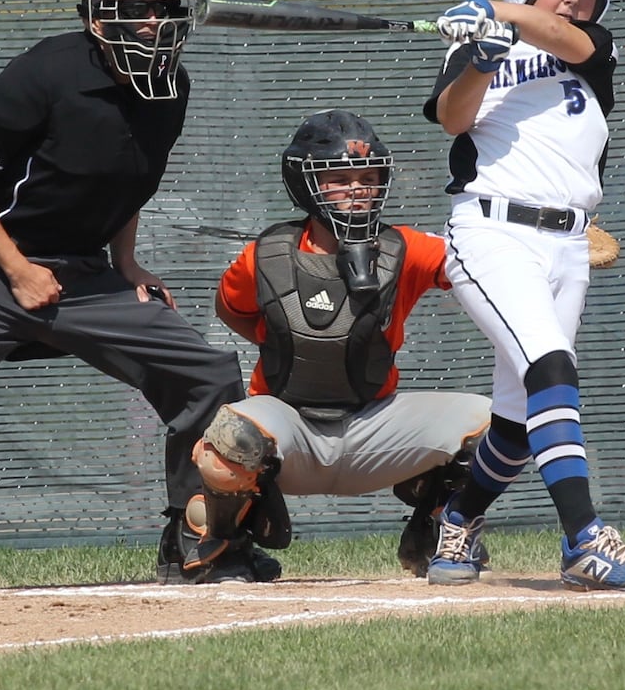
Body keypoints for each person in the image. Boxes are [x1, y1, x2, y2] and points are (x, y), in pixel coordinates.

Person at [0, 0, 273, 592]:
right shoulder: (45, 72)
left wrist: (127, 264)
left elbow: (128, 179)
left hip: (86, 271)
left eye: (164, 9)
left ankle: (199, 538)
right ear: (101, 20)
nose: (154, 21)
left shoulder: (170, 85)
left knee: (206, 371)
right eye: (138, 9)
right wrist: (15, 269)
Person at [420, 0, 625, 592]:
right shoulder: (484, 41)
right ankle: (585, 540)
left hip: (569, 243)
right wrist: (481, 53)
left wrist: (497, 12)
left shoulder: (591, 48)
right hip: (491, 232)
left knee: (518, 418)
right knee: (551, 367)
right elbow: (453, 117)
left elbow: (565, 36)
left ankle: (458, 517)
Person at [173, 109, 493, 580]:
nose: (357, 188)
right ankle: (227, 547)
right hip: (290, 432)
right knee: (230, 436)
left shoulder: (403, 248)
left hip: (373, 428)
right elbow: (232, 309)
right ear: (306, 184)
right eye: (339, 178)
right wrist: (290, 343)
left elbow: (480, 263)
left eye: (367, 177)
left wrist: (546, 238)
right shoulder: (266, 255)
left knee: (499, 424)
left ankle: (437, 532)